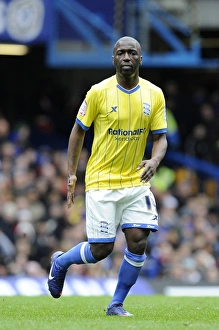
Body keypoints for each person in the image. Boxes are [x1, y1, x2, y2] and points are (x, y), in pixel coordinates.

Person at [48, 36, 168, 316]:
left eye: (132, 53)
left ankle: (116, 304)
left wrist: (155, 159)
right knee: (101, 249)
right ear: (113, 59)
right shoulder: (98, 92)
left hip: (136, 180)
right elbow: (78, 131)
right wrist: (71, 174)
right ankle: (62, 262)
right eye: (121, 53)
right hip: (102, 180)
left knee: (138, 239)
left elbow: (160, 138)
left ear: (141, 59)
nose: (126, 57)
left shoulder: (154, 94)